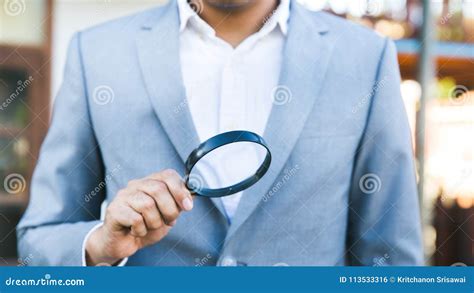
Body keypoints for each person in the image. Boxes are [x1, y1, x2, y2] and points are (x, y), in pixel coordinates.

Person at [17, 0, 423, 266]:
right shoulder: (98, 53)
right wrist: (98, 244)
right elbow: (38, 240)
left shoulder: (365, 58)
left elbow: (391, 256)